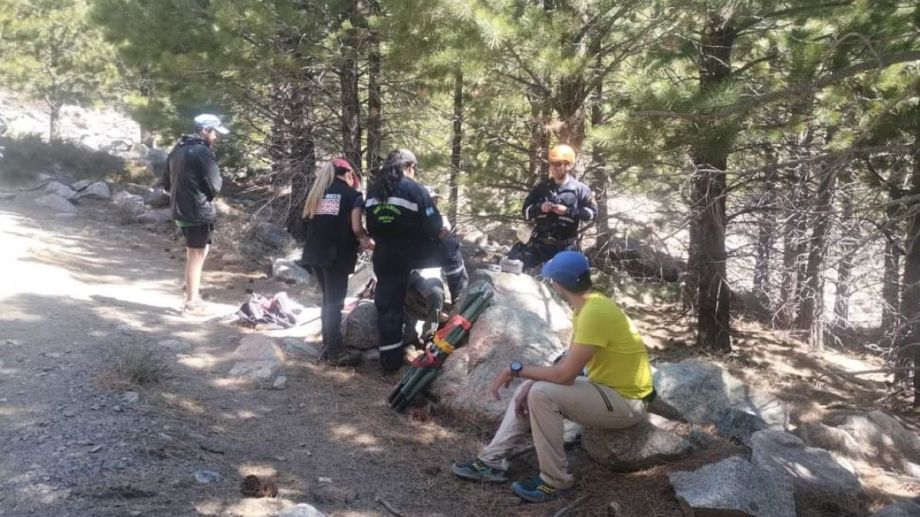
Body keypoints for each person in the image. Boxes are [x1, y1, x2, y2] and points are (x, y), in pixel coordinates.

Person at [450, 251, 655, 503]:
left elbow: (565, 375)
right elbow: (570, 364)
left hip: (626, 401)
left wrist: (515, 368)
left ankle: (554, 481)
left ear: (557, 284)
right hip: (607, 389)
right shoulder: (589, 306)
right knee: (531, 386)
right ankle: (489, 461)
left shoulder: (594, 312)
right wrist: (531, 378)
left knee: (541, 394)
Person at [365, 149, 444, 373]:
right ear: (409, 167)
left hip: (383, 255)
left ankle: (389, 361)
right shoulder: (414, 189)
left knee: (388, 307)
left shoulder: (374, 189)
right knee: (451, 248)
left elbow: (370, 225)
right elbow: (435, 225)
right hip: (411, 254)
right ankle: (460, 297)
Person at [301, 158, 371, 367]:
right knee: (334, 303)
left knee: (327, 300)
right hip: (337, 255)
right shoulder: (353, 196)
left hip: (315, 252)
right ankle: (336, 353)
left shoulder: (318, 193)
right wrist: (366, 239)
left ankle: (328, 342)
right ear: (349, 174)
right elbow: (356, 228)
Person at [163, 113, 228, 313]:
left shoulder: (177, 149)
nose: (216, 137)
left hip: (180, 210)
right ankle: (192, 303)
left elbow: (166, 182)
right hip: (198, 211)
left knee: (197, 252)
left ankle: (191, 292)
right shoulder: (202, 152)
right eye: (215, 132)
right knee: (196, 255)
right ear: (205, 131)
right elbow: (216, 185)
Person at [508, 145, 597, 270]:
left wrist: (568, 211)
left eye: (558, 164)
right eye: (552, 163)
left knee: (572, 278)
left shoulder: (581, 189)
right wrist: (540, 208)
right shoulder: (541, 188)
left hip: (566, 248)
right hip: (540, 246)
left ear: (569, 166)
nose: (554, 167)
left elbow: (592, 214)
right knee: (511, 265)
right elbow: (526, 212)